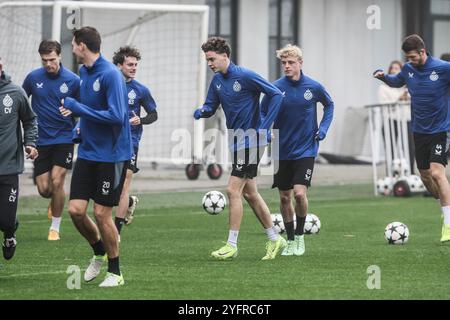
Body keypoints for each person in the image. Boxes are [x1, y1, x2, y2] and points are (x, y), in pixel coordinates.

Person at [193, 37, 286, 260]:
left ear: (225, 56)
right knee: (250, 193)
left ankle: (232, 244)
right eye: (207, 60)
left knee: (232, 190)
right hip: (236, 140)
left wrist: (264, 126)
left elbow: (275, 94)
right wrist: (203, 111)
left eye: (212, 59)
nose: (210, 63)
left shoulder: (244, 75)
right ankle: (275, 239)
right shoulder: (216, 81)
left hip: (252, 140)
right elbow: (211, 105)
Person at [59, 26, 132, 287]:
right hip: (88, 152)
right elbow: (91, 108)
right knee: (76, 211)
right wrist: (79, 127)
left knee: (102, 214)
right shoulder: (83, 72)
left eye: (74, 44)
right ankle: (98, 250)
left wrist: (77, 109)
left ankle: (115, 272)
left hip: (112, 156)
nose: (72, 48)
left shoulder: (112, 75)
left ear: (82, 46)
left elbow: (117, 117)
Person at [374, 34, 450, 242]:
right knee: (424, 175)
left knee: (437, 172)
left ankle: (448, 224)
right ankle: (444, 203)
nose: (410, 61)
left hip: (440, 130)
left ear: (423, 52)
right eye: (407, 58)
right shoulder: (408, 69)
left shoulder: (443, 68)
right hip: (419, 130)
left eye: (413, 57)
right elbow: (396, 82)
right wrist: (383, 77)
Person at [263, 44, 334, 256]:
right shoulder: (275, 88)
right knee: (285, 197)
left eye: (291, 62)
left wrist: (323, 128)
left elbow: (329, 105)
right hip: (281, 150)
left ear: (300, 63)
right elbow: (263, 110)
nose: (286, 66)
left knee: (300, 194)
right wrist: (265, 129)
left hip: (306, 149)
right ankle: (291, 240)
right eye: (284, 63)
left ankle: (301, 237)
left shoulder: (313, 87)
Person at [22, 40, 80, 241]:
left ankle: (55, 227)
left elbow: (84, 106)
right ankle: (54, 200)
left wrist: (73, 109)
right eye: (45, 60)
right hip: (41, 140)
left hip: (65, 137)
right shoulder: (33, 78)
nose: (49, 64)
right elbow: (21, 102)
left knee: (57, 180)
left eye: (52, 59)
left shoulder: (73, 80)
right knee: (45, 189)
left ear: (60, 56)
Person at [112, 46, 158, 238]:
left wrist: (141, 120)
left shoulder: (141, 90)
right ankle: (129, 202)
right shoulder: (109, 85)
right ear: (119, 65)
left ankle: (116, 232)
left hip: (131, 141)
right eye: (130, 64)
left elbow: (154, 114)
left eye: (135, 65)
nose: (133, 68)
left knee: (124, 184)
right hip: (109, 141)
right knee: (109, 188)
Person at [0, 56, 38, 260]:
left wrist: (30, 144)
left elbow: (30, 121)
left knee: (5, 220)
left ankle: (10, 232)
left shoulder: (15, 92)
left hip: (8, 167)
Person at [377, 60, 414, 175]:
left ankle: (411, 173)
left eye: (397, 68)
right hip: (390, 121)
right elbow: (384, 105)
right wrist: (399, 99)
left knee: (409, 148)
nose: (394, 70)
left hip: (406, 120)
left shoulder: (408, 87)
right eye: (392, 68)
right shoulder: (383, 88)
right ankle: (391, 175)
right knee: (390, 149)